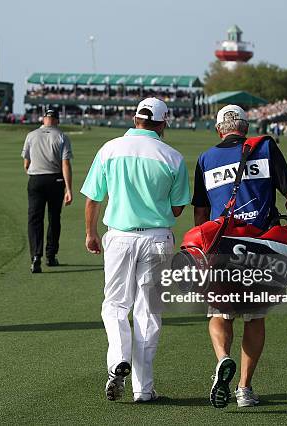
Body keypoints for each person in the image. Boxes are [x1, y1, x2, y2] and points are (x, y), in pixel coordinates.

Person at [192, 105, 287, 408]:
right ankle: (244, 389)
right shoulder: (266, 147)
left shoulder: (205, 159)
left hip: (222, 245)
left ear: (220, 129)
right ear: (245, 128)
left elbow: (201, 213)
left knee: (220, 313)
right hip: (262, 246)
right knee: (255, 317)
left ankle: (223, 359)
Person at [81, 98, 191, 403]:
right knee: (148, 311)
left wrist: (91, 233)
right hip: (157, 237)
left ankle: (118, 360)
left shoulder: (109, 149)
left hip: (118, 236)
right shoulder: (172, 156)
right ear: (162, 123)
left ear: (135, 119)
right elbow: (179, 207)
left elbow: (93, 198)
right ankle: (143, 389)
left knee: (115, 305)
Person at [21, 108, 73, 273]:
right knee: (54, 218)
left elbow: (26, 164)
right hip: (55, 179)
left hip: (35, 180)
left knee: (34, 219)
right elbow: (65, 164)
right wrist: (69, 189)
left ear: (44, 119)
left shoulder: (31, 135)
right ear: (57, 120)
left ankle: (36, 256)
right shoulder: (62, 136)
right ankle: (50, 256)